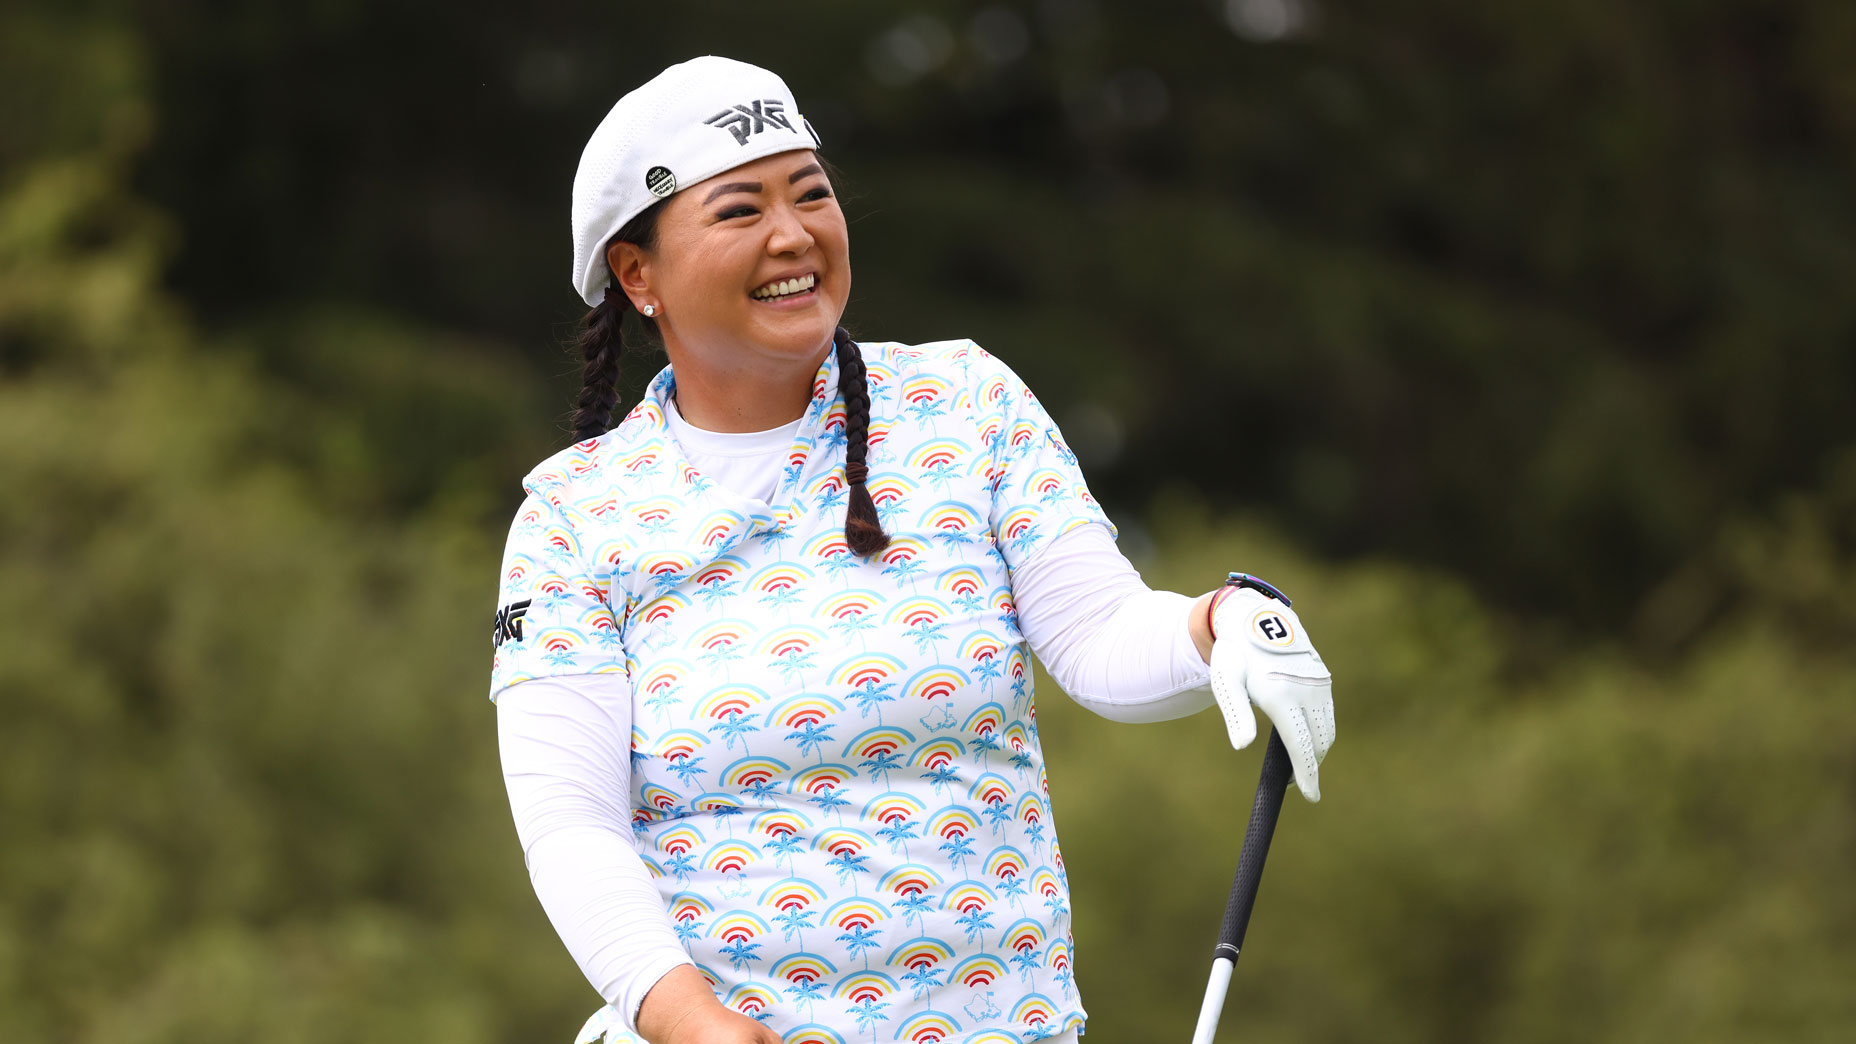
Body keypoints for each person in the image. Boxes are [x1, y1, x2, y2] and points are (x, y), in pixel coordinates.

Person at [489, 56, 1336, 1044]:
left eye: (811, 194)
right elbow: (572, 826)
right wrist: (682, 1019)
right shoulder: (574, 517)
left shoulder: (965, 404)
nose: (793, 233)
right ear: (638, 277)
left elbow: (1099, 635)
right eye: (737, 211)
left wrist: (1216, 622)